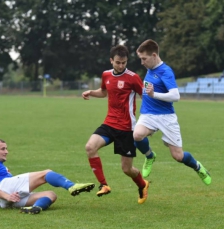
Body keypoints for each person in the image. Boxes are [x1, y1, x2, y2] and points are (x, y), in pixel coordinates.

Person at [133, 39, 211, 185]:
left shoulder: (166, 71)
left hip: (166, 117)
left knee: (178, 156)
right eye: (141, 59)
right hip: (148, 114)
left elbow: (176, 96)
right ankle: (150, 156)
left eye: (144, 59)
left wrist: (153, 95)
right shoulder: (150, 69)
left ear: (154, 56)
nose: (142, 62)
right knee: (137, 135)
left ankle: (198, 167)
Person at [82, 45, 149, 204]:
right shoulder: (106, 75)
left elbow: (146, 97)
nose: (121, 66)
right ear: (111, 60)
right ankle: (104, 185)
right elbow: (104, 92)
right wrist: (91, 92)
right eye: (118, 62)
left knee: (127, 169)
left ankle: (142, 184)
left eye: (124, 63)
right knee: (90, 147)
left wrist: (148, 121)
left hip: (127, 128)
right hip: (109, 123)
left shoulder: (133, 77)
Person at [0, 139, 95, 214]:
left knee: (51, 195)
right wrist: (7, 196)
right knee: (46, 174)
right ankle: (71, 186)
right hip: (5, 190)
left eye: (6, 148)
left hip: (8, 199)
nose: (6, 152)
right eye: (2, 149)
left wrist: (8, 198)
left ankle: (36, 207)